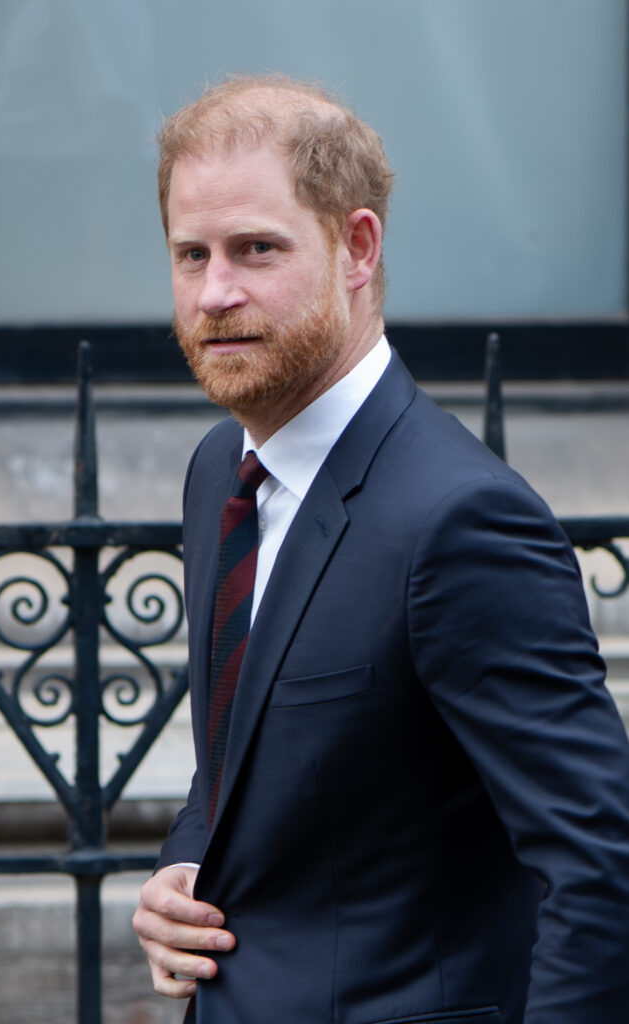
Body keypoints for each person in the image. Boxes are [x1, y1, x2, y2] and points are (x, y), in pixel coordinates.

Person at [133, 74, 629, 1024]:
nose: (215, 291)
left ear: (356, 248)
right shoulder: (218, 471)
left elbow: (598, 868)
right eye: (189, 254)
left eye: (255, 250)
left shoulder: (461, 520)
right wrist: (184, 865)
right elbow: (250, 747)